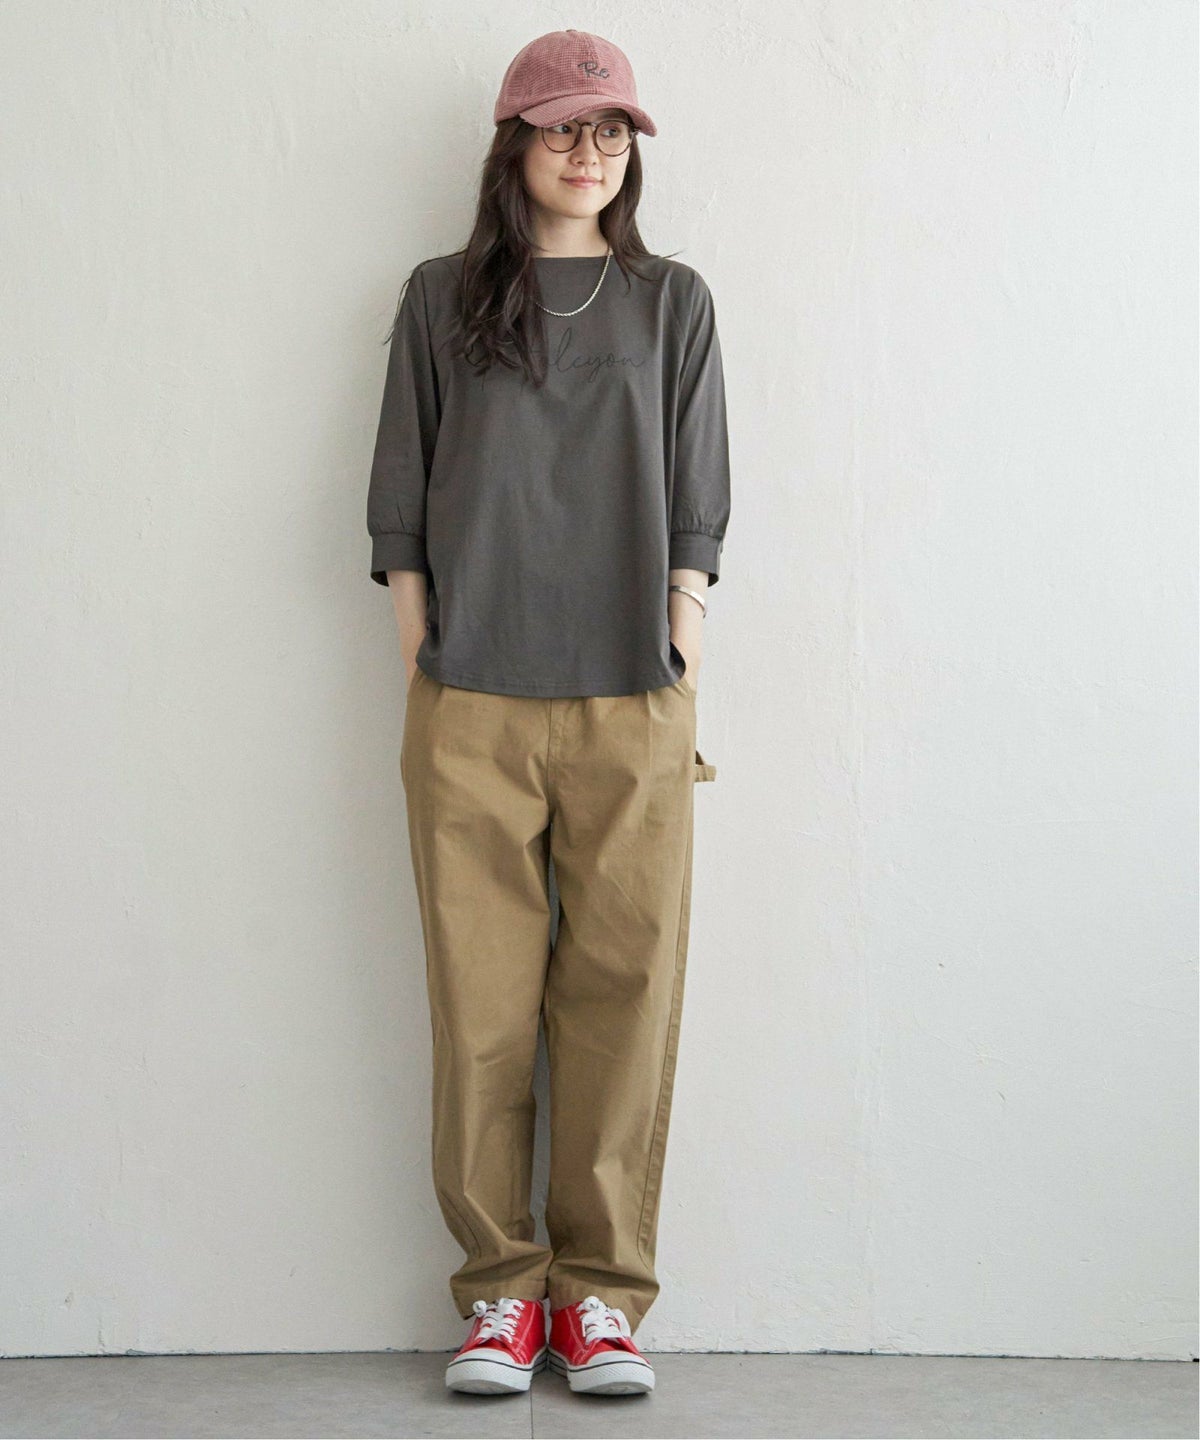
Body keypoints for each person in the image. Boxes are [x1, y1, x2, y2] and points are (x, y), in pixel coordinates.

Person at [366, 28, 731, 1398]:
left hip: (634, 694)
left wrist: (683, 629)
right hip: (471, 698)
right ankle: (500, 1296)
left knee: (622, 999)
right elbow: (401, 487)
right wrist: (423, 647)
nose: (591, 152)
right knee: (479, 1005)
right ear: (514, 143)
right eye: (566, 127)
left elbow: (699, 489)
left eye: (613, 130)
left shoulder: (673, 300)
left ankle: (602, 1301)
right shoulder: (440, 296)